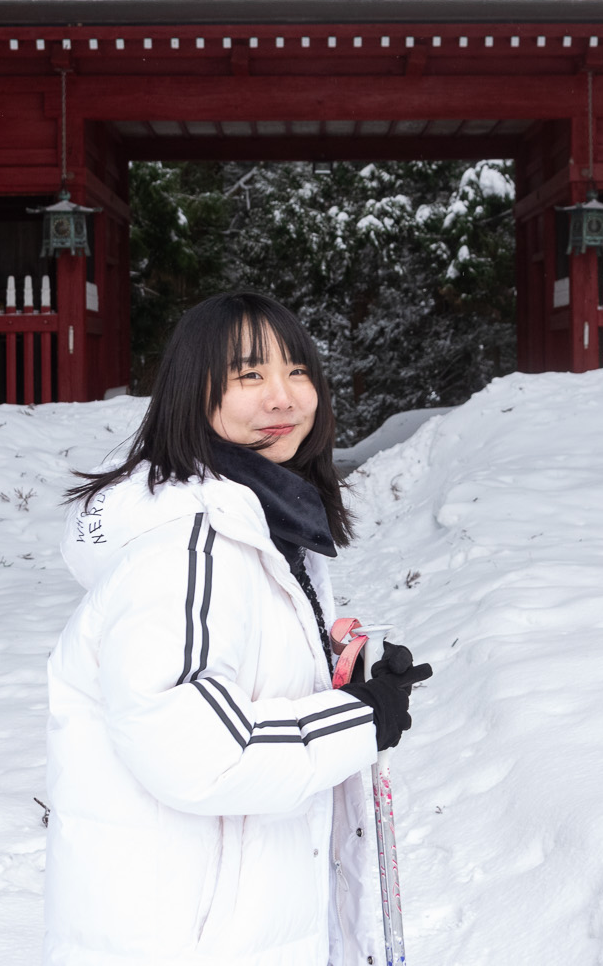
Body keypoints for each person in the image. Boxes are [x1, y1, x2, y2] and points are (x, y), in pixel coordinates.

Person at [46, 292, 434, 966]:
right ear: (192, 394)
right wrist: (357, 720)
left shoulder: (260, 521)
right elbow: (198, 749)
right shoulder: (187, 548)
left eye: (298, 372)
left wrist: (329, 664)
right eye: (249, 376)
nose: (283, 398)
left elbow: (227, 676)